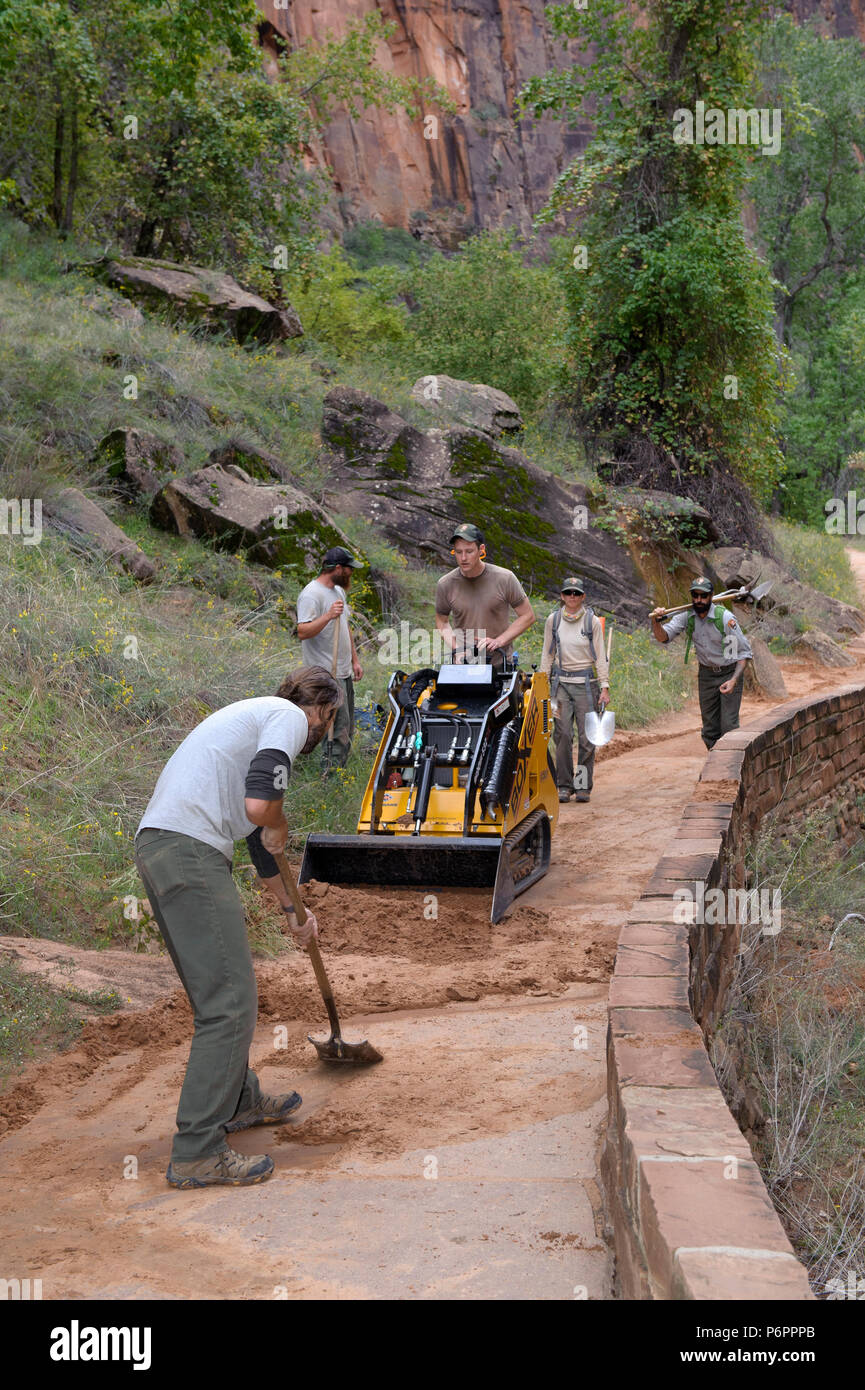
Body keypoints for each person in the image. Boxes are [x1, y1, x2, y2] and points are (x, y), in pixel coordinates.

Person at [134, 666, 342, 1189]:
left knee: (217, 996)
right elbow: (259, 809)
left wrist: (294, 911)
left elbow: (255, 838)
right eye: (331, 721)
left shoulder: (252, 718)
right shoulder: (290, 718)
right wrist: (279, 821)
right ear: (324, 711)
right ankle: (197, 1152)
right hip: (190, 853)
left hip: (164, 847)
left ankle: (239, 1099)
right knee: (229, 1005)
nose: (324, 731)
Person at [650, 577, 752, 750]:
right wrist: (655, 621)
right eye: (695, 596)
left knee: (728, 727)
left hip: (729, 672)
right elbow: (663, 637)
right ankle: (715, 764)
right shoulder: (687, 616)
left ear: (711, 596)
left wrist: (734, 679)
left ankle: (729, 766)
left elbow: (743, 653)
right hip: (706, 675)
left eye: (703, 596)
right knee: (710, 730)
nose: (699, 600)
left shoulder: (725, 618)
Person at [540, 576, 610, 804]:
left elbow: (600, 656)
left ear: (583, 597)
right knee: (562, 735)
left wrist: (605, 686)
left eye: (576, 593)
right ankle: (563, 785)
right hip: (560, 685)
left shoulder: (591, 622)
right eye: (568, 593)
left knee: (587, 737)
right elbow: (547, 653)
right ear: (562, 596)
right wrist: (542, 682)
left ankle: (582, 786)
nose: (572, 597)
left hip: (586, 686)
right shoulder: (554, 620)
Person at [296, 546, 364, 771]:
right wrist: (327, 615)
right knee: (332, 726)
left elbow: (343, 627)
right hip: (325, 674)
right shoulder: (311, 594)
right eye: (349, 569)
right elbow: (303, 631)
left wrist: (355, 660)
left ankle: (339, 772)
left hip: (343, 671)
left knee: (346, 726)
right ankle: (330, 776)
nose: (351, 574)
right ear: (337, 569)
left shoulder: (338, 591)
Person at [434, 523, 535, 665]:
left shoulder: (504, 578)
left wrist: (499, 641)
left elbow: (528, 616)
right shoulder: (446, 584)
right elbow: (442, 622)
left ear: (481, 550)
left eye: (469, 552)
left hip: (500, 666)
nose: (463, 558)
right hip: (463, 667)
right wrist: (457, 648)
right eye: (458, 552)